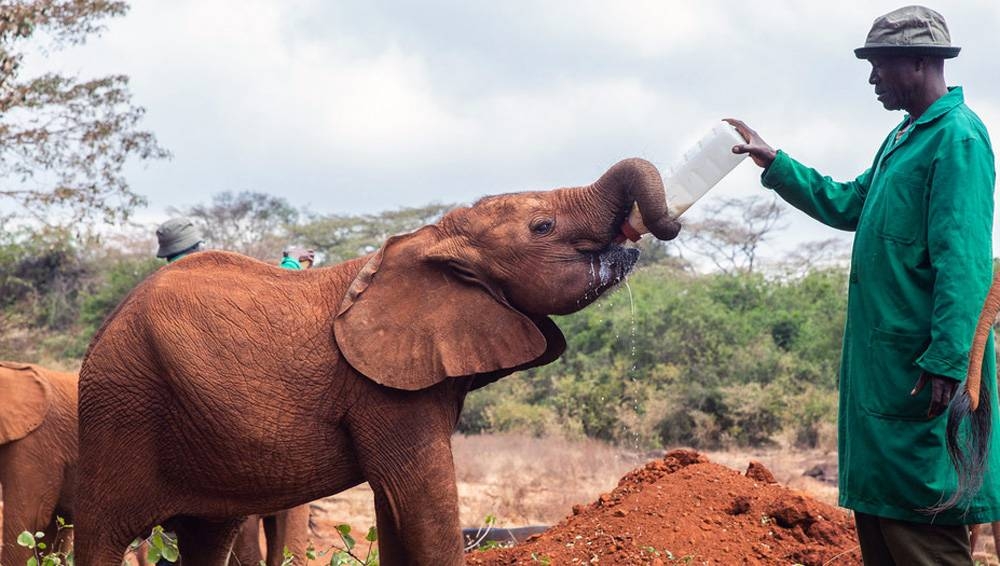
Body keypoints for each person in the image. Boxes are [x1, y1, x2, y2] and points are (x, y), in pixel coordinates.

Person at [727, 5, 1000, 565]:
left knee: (926, 526)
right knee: (884, 526)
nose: (872, 78)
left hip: (925, 381)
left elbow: (965, 262)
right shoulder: (903, 137)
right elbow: (850, 201)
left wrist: (949, 362)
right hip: (885, 380)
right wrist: (775, 163)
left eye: (881, 65)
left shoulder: (958, 138)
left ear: (921, 62)